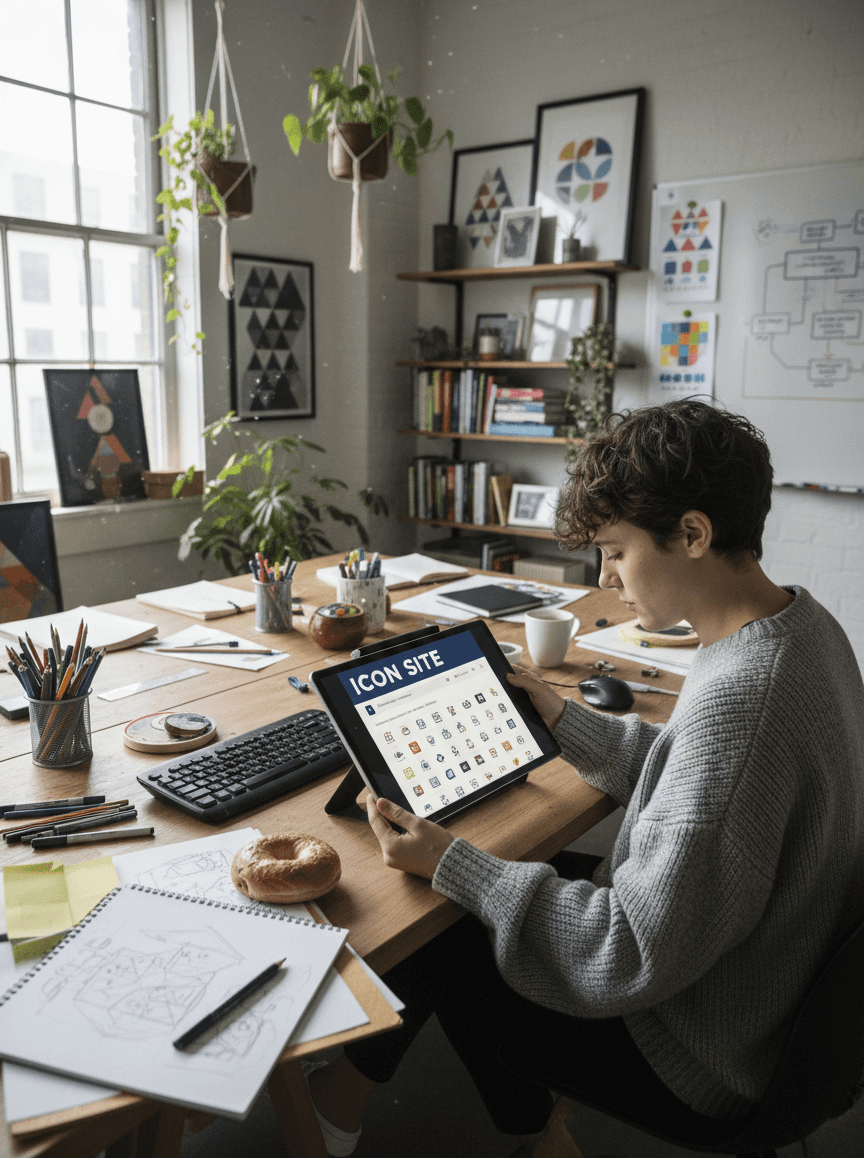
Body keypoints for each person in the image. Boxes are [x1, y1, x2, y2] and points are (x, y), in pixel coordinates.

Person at [308, 399, 864, 1158]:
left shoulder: (742, 701)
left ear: (693, 534)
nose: (602, 575)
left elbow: (627, 952)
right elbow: (705, 789)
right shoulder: (799, 627)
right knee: (483, 892)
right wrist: (565, 721)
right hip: (762, 987)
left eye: (615, 551)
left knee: (444, 920)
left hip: (702, 1046)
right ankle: (516, 1132)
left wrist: (454, 863)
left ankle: (401, 1113)